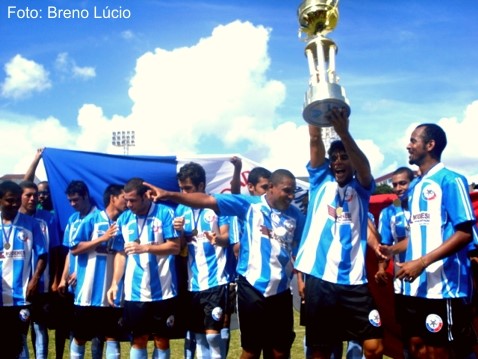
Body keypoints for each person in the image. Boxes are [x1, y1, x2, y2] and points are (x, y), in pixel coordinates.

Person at [144, 168, 306, 359]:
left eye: (293, 191)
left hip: (281, 291)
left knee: (280, 351)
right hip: (252, 287)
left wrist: (301, 279)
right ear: (271, 187)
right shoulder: (249, 205)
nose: (291, 195)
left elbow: (301, 251)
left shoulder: (296, 216)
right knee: (251, 349)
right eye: (287, 190)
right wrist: (168, 195)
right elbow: (207, 200)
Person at [380, 123, 477, 358]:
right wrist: (391, 250)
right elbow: (417, 235)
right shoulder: (414, 188)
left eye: (413, 141)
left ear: (430, 145)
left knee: (440, 352)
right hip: (415, 288)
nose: (408, 145)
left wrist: (422, 262)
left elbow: (464, 233)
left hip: (444, 289)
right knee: (416, 349)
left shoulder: (451, 180)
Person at [294, 108, 384, 359]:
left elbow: (364, 168)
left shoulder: (362, 187)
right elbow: (314, 141)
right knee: (321, 350)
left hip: (355, 281)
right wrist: (314, 104)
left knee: (375, 346)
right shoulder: (321, 181)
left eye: (344, 157)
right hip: (320, 279)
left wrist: (344, 133)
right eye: (334, 158)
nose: (338, 162)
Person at [107, 177, 180, 359]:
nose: (129, 204)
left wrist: (145, 247)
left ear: (146, 196)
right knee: (138, 339)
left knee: (161, 339)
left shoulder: (165, 213)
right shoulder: (124, 219)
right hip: (135, 291)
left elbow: (175, 247)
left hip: (163, 289)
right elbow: (121, 253)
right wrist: (115, 283)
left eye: (133, 200)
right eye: (126, 200)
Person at [173, 162, 235, 358]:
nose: (184, 192)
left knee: (212, 336)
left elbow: (228, 238)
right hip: (193, 284)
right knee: (199, 336)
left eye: (188, 188)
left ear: (201, 186)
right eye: (181, 188)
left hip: (216, 281)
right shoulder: (181, 211)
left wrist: (217, 239)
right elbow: (179, 248)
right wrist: (178, 232)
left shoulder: (216, 206)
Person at [68, 184, 127, 359]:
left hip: (111, 294)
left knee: (112, 336)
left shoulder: (123, 223)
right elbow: (75, 248)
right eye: (124, 198)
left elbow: (121, 254)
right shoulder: (92, 219)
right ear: (113, 198)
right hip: (87, 293)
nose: (128, 202)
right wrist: (102, 238)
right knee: (80, 337)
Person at [0, 180, 48, 359]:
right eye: (9, 200)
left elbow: (43, 255)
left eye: (15, 200)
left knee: (18, 341)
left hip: (21, 297)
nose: (13, 204)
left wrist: (35, 280)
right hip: (0, 295)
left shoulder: (31, 224)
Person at [57, 180, 104, 359]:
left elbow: (101, 252)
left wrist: (82, 272)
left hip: (94, 283)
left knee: (98, 334)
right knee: (77, 331)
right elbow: (70, 251)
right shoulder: (72, 219)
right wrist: (63, 278)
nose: (72, 204)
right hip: (74, 285)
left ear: (86, 196)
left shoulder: (99, 218)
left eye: (76, 200)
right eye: (70, 201)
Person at [18, 180, 62, 359]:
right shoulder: (10, 218)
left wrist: (56, 279)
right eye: (28, 195)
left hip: (42, 283)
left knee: (40, 327)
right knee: (19, 329)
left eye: (35, 195)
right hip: (17, 285)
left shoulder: (48, 218)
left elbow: (55, 251)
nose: (32, 198)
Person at [375, 166, 415, 358]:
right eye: (395, 184)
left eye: (403, 183)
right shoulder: (388, 213)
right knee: (408, 335)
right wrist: (381, 268)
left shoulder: (429, 206)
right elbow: (384, 247)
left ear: (413, 181)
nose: (398, 188)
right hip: (403, 285)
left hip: (432, 283)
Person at [23, 148, 54, 213]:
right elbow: (26, 183)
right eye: (38, 193)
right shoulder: (36, 207)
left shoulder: (58, 209)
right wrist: (37, 159)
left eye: (44, 193)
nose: (41, 196)